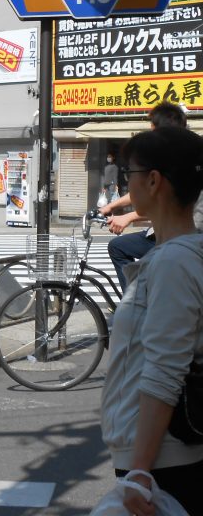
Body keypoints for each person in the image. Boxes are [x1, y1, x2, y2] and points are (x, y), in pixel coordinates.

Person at [100, 126, 203, 515]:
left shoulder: (173, 263)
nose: (128, 183)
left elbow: (164, 370)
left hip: (163, 461)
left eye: (131, 174)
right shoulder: (181, 254)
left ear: (155, 181)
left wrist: (139, 472)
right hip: (167, 453)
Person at [99, 101, 203, 290]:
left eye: (130, 172)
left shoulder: (178, 159)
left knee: (121, 249)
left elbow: (166, 201)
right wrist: (111, 206)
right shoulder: (184, 152)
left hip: (186, 234)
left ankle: (134, 292)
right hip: (175, 235)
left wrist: (129, 216)